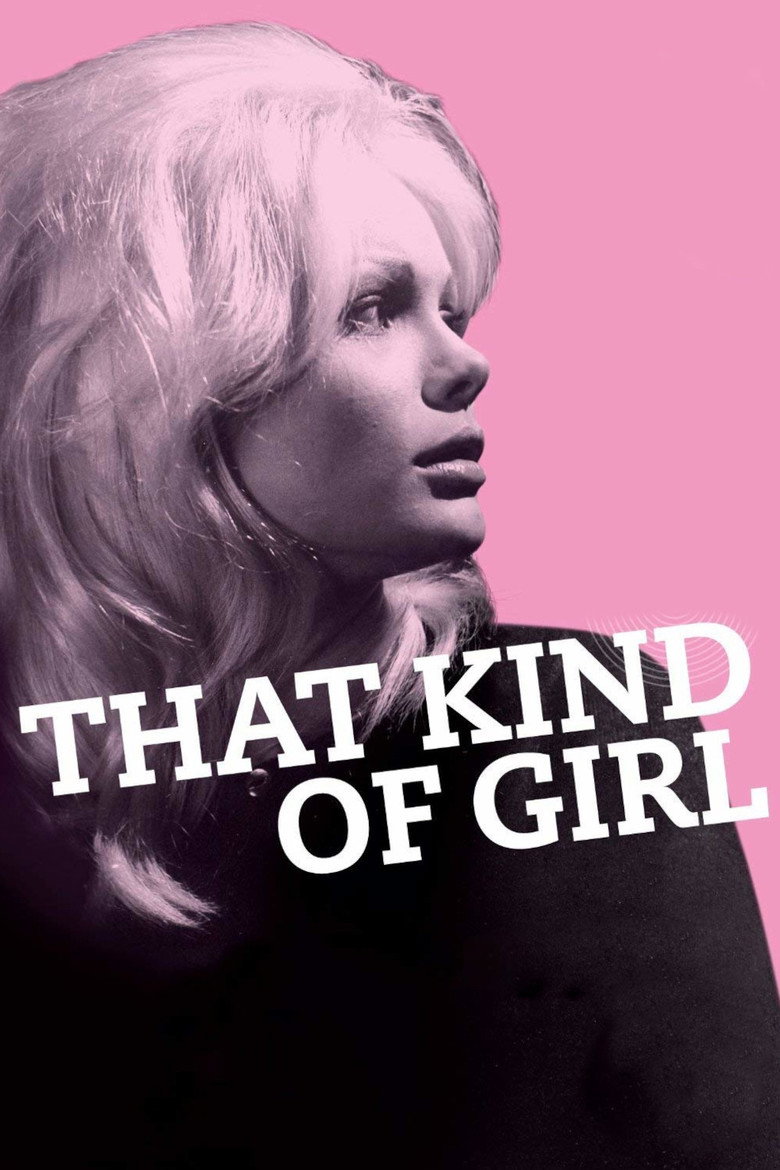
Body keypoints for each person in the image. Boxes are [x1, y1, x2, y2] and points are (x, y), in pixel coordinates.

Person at [0, 21, 776, 1169]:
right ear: (170, 384)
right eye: (373, 309)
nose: (467, 363)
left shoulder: (565, 726)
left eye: (452, 311)